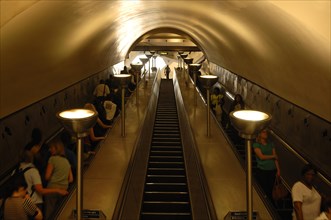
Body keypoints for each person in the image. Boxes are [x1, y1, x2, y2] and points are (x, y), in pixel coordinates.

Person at [44, 138, 73, 219]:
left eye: (51, 148)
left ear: (56, 148)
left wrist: (55, 178)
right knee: (60, 213)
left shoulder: (52, 159)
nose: (49, 150)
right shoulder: (66, 161)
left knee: (50, 214)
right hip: (64, 190)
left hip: (52, 190)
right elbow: (71, 179)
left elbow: (47, 177)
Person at [253, 129, 280, 201]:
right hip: (262, 170)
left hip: (272, 170)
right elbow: (261, 157)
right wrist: (272, 156)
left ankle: (270, 205)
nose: (266, 133)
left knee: (271, 189)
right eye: (264, 132)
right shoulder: (256, 145)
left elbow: (275, 157)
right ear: (259, 134)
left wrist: (278, 170)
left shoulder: (271, 144)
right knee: (265, 189)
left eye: (266, 132)